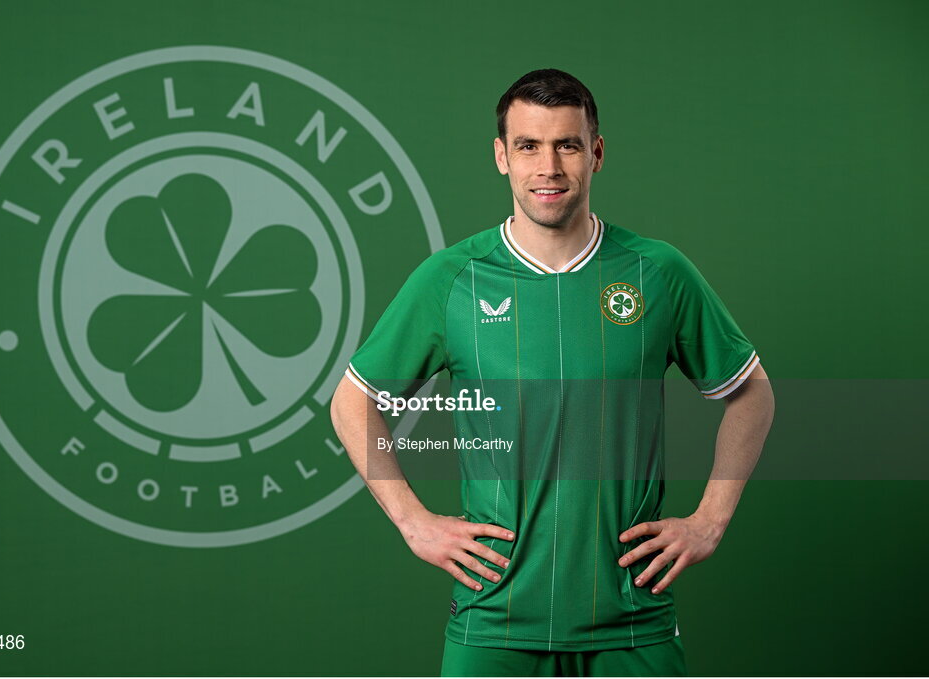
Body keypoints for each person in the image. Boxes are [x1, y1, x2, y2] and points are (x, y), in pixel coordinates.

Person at [329, 68, 775, 677]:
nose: (549, 167)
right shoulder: (451, 279)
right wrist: (414, 523)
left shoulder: (658, 272)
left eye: (566, 145)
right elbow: (352, 402)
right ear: (501, 157)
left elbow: (750, 393)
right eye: (528, 146)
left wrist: (709, 521)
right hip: (494, 620)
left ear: (596, 152)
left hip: (632, 621)